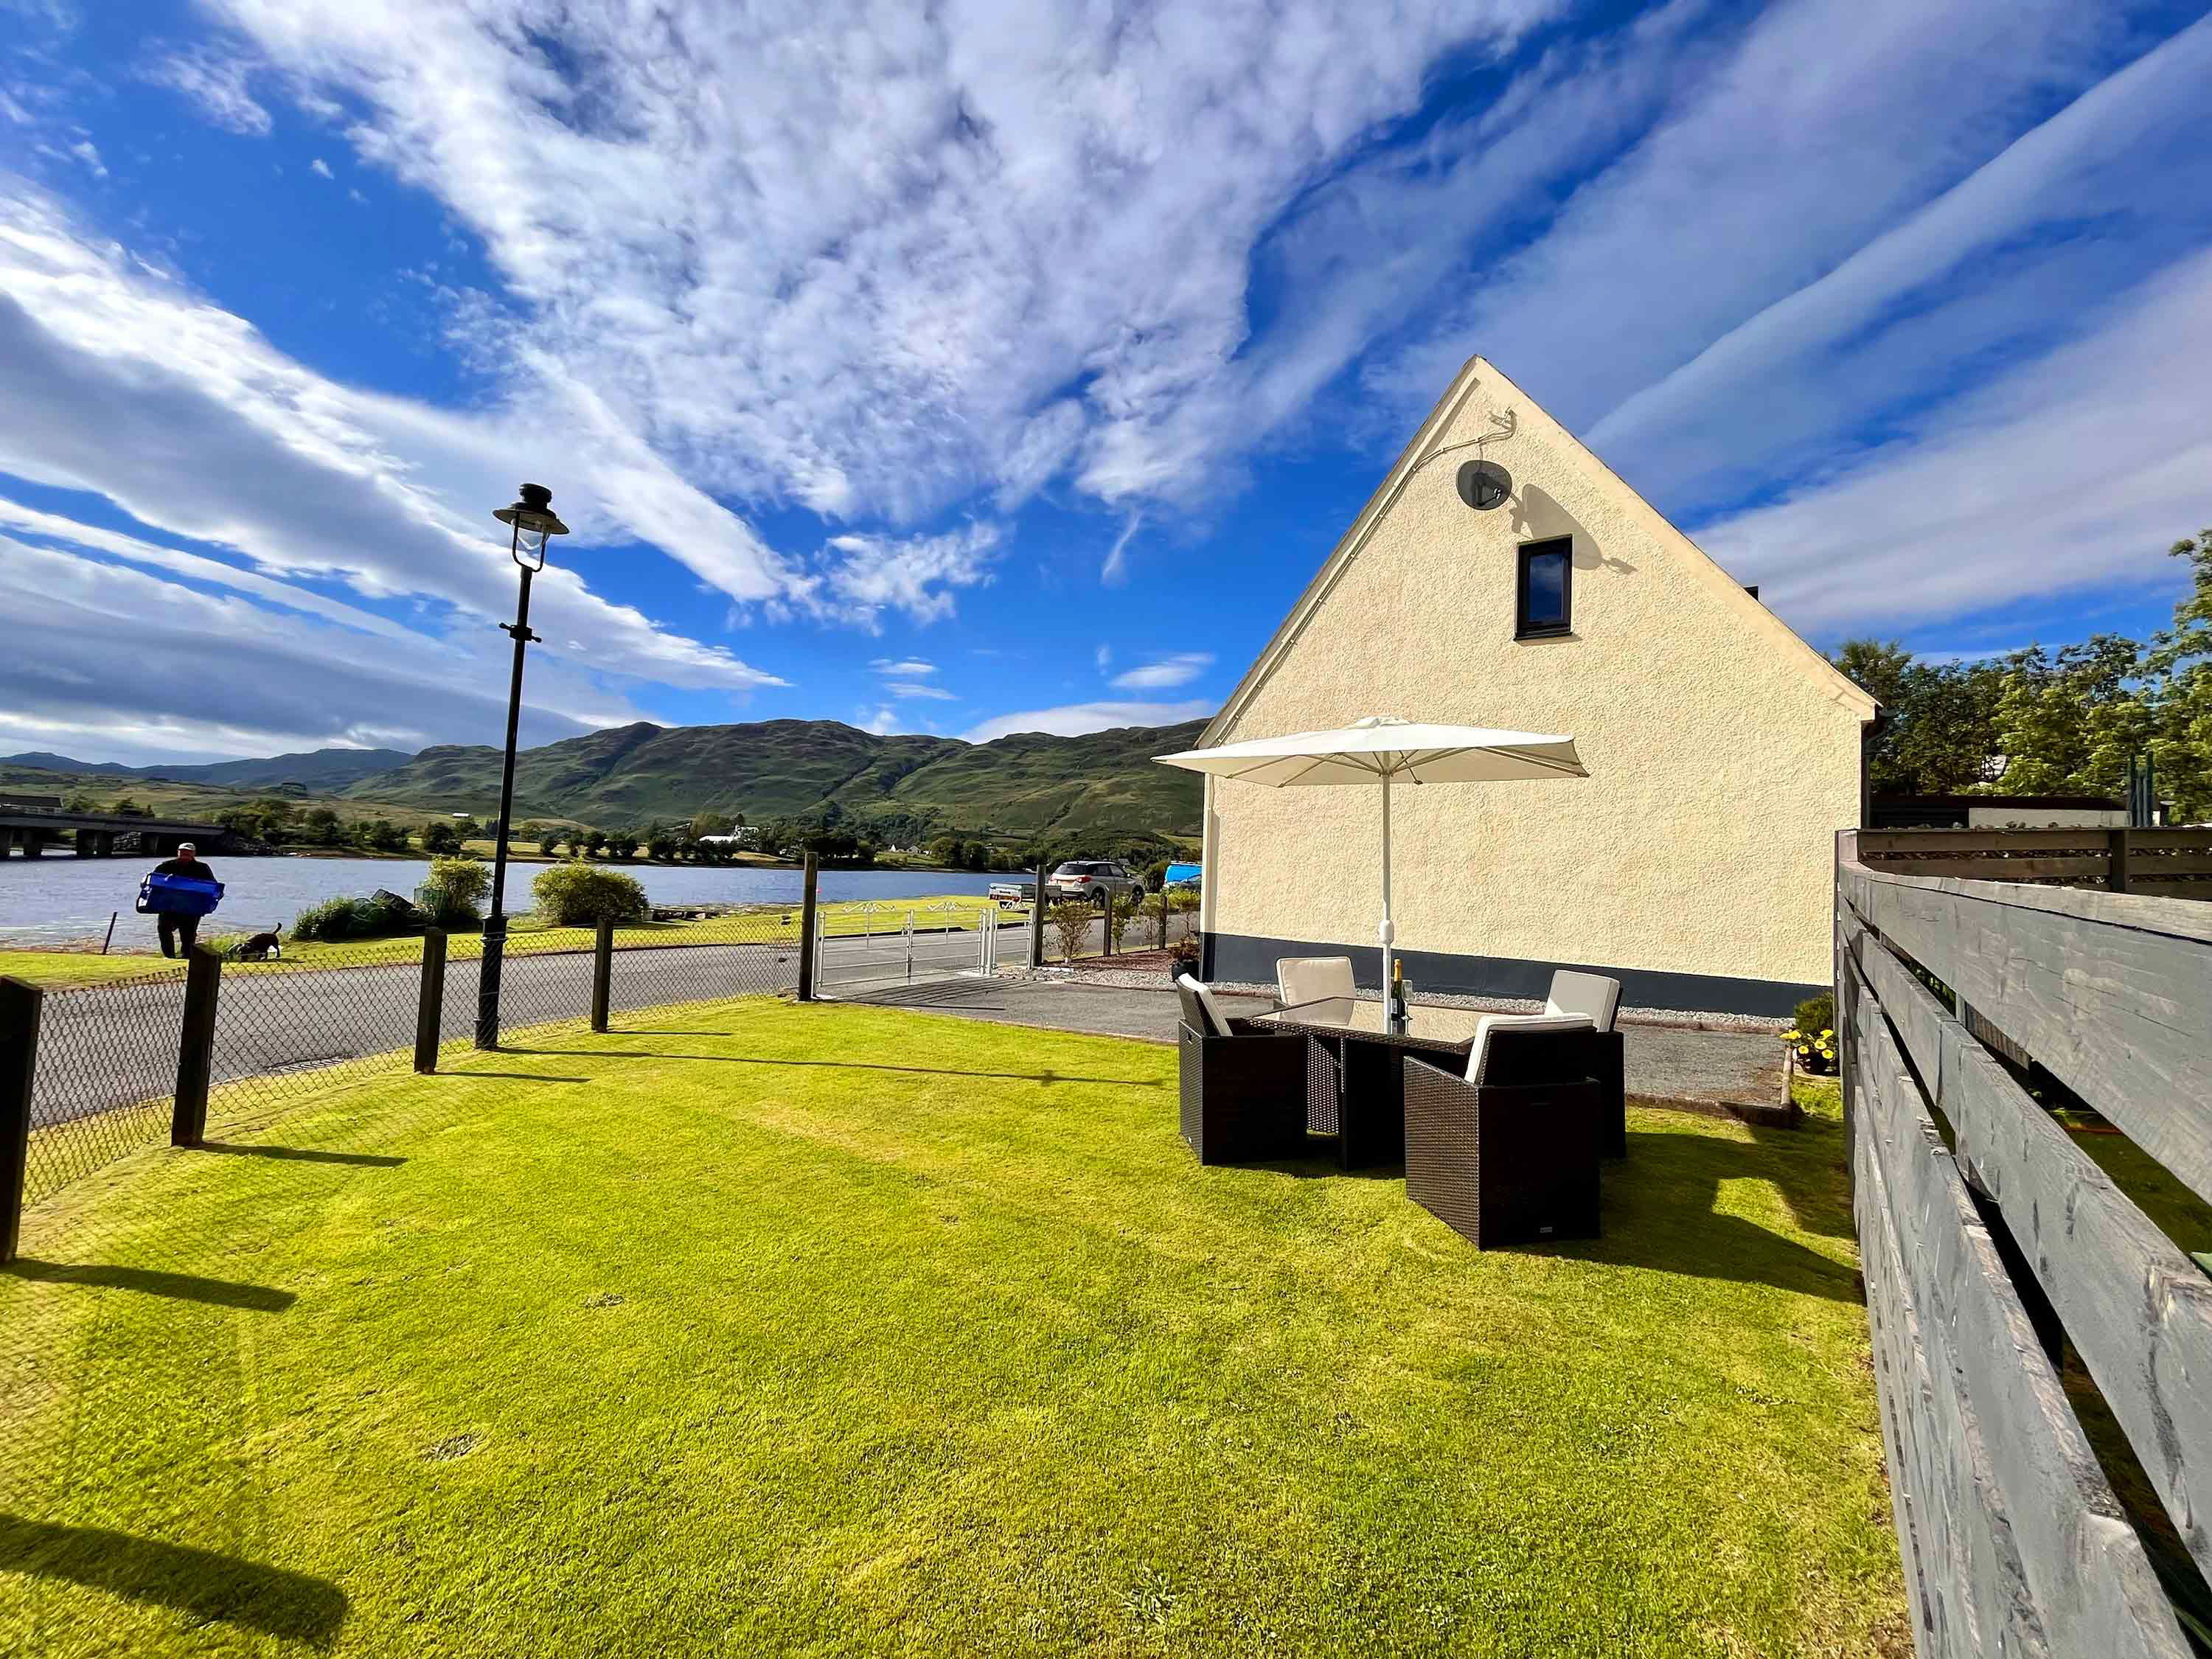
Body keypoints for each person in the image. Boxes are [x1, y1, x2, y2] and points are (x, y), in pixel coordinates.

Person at [150, 842, 218, 959]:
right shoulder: (166, 866)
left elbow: (212, 886)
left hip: (192, 907)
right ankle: (169, 956)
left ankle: (186, 957)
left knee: (188, 935)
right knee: (164, 929)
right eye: (183, 852)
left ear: (194, 854)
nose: (185, 855)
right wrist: (166, 881)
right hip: (169, 905)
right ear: (178, 852)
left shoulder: (202, 868)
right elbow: (153, 881)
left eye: (188, 853)